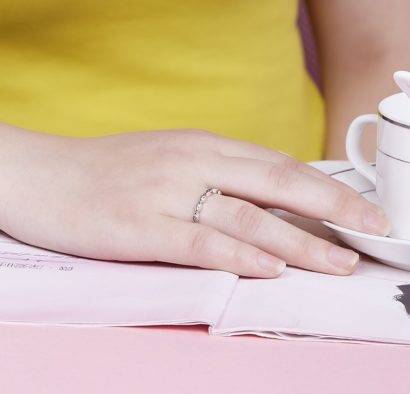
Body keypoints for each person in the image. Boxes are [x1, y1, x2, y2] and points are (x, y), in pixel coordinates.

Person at [0, 0, 407, 278]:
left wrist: (359, 218)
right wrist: (45, 175)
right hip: (22, 230)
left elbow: (376, 49)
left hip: (293, 238)